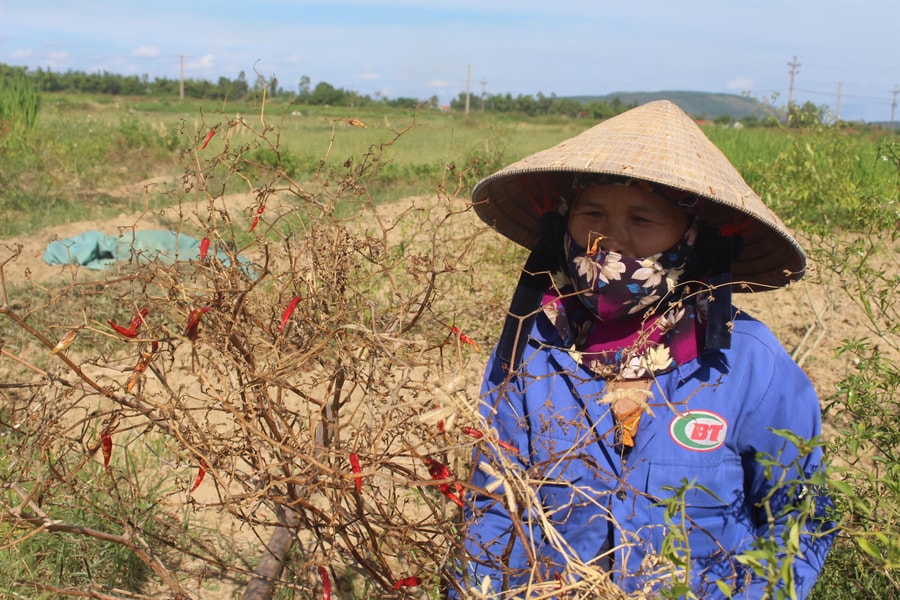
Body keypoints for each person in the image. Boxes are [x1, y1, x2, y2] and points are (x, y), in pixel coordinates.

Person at [453, 100, 835, 599]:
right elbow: (493, 508)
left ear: (691, 234)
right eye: (593, 213)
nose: (611, 240)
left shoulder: (748, 363)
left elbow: (801, 517)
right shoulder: (534, 350)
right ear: (566, 219)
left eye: (643, 218)